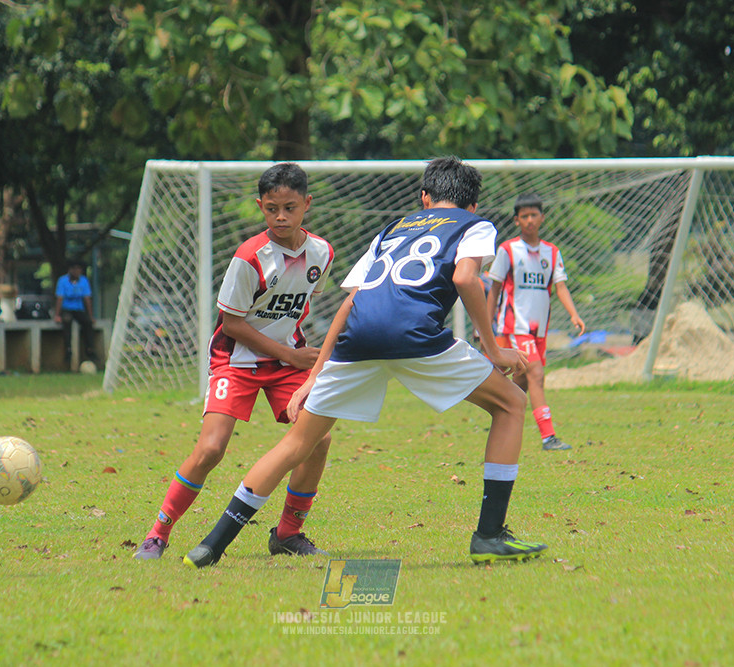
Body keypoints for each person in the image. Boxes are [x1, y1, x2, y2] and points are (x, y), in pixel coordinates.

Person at [184, 156, 546, 569]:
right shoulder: (473, 225)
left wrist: (311, 379)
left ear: (424, 197)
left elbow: (352, 300)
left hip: (357, 337)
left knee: (295, 444)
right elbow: (466, 279)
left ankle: (212, 544)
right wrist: (495, 351)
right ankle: (490, 535)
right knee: (511, 405)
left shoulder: (393, 230)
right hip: (414, 333)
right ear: (474, 205)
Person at [133, 162, 335, 561]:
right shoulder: (249, 256)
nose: (281, 216)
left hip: (285, 363)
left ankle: (288, 534)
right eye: (272, 208)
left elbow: (298, 309)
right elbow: (232, 323)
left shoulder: (322, 252)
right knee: (211, 449)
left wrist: (296, 356)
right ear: (261, 206)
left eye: (290, 208)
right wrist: (290, 354)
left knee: (318, 440)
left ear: (306, 204)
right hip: (236, 359)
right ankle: (158, 534)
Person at [486, 193, 585, 451]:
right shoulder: (507, 250)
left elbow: (560, 287)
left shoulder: (552, 252)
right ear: (517, 220)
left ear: (542, 217)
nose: (529, 220)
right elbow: (494, 290)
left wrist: (574, 314)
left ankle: (497, 414)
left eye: (534, 215)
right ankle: (548, 437)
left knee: (521, 381)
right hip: (516, 327)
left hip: (540, 330)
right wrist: (484, 326)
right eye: (524, 216)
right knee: (537, 374)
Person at [54, 259, 97, 367]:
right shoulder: (63, 281)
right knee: (67, 321)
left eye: (78, 269)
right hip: (67, 309)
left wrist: (91, 316)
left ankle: (89, 348)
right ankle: (68, 349)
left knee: (87, 322)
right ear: (69, 270)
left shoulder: (84, 281)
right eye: (74, 268)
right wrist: (57, 315)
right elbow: (60, 298)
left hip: (78, 309)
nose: (76, 271)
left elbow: (87, 299)